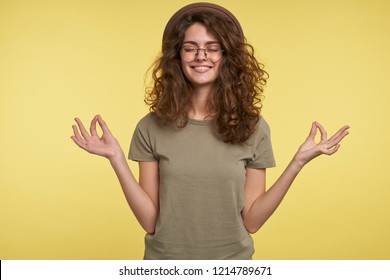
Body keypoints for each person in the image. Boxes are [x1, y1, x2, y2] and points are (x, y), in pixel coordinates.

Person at [71, 2, 349, 260]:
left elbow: (252, 221)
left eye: (213, 47)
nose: (201, 56)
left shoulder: (253, 127)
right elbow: (150, 222)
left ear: (227, 57)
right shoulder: (150, 127)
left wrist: (297, 163)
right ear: (177, 57)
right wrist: (117, 159)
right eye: (190, 47)